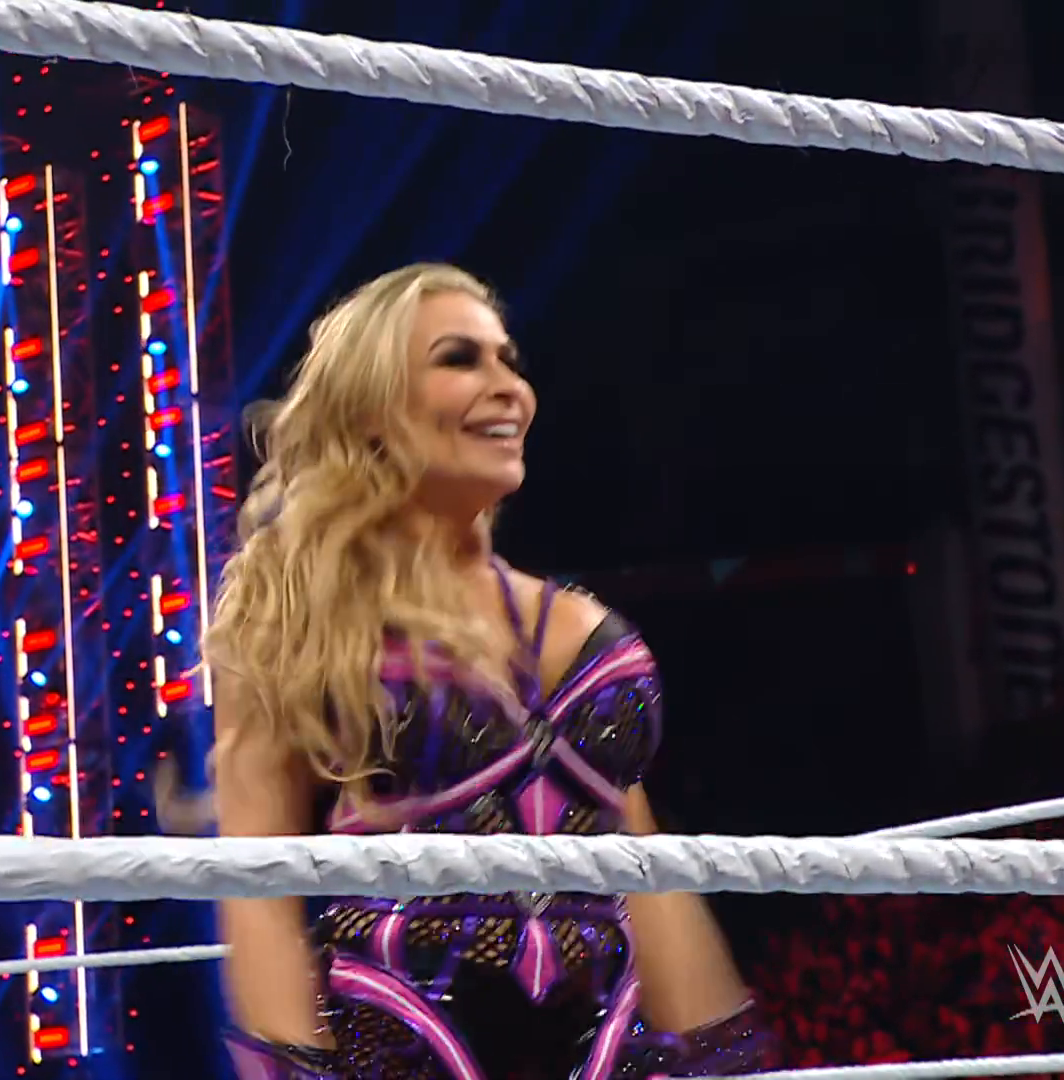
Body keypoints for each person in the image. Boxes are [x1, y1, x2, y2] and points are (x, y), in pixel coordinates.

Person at [201, 264, 776, 1079]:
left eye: (510, 360)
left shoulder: (578, 623)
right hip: (404, 1054)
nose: (509, 388)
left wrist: (725, 1060)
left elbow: (642, 863)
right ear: (372, 407)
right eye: (460, 358)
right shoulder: (298, 612)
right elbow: (258, 887)